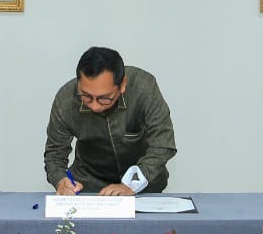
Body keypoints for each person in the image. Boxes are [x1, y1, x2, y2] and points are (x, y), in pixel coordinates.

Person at [45, 47, 176, 195]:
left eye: (104, 98)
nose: (94, 106)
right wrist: (60, 179)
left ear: (122, 84)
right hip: (89, 187)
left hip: (142, 185)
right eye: (86, 96)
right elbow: (55, 154)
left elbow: (163, 144)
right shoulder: (66, 99)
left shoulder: (143, 87)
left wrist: (132, 185)